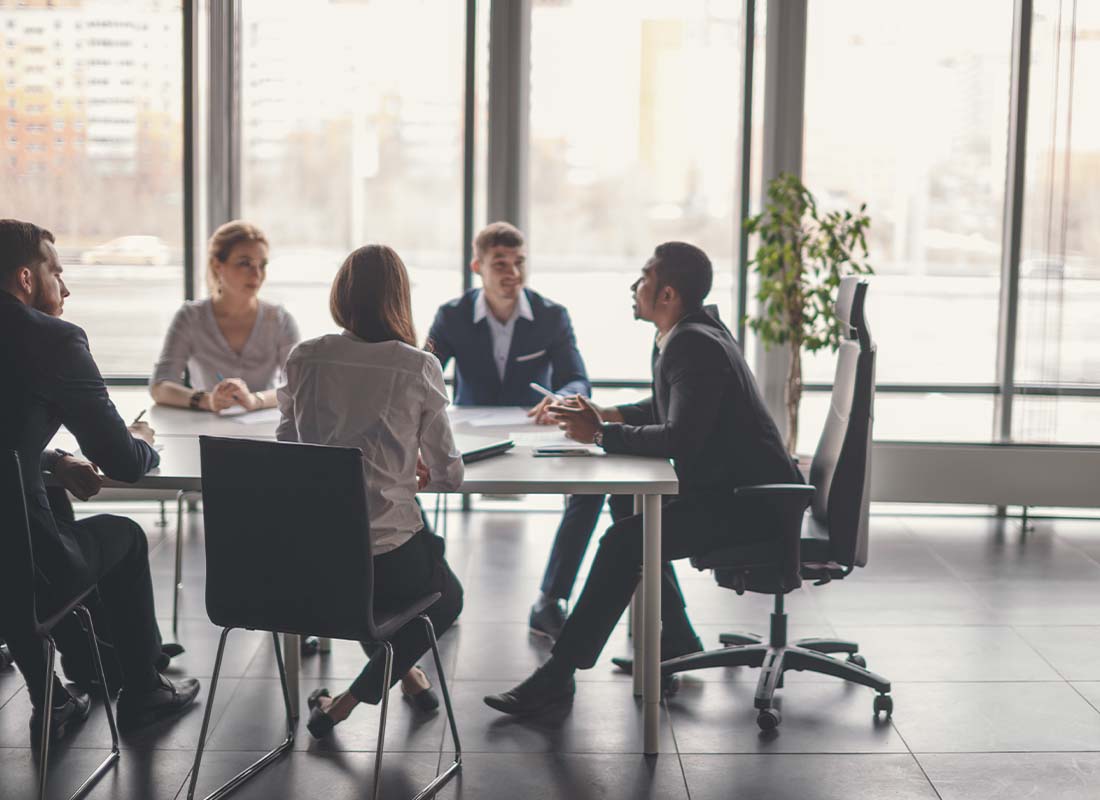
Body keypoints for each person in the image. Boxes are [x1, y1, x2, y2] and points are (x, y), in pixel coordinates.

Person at [483, 241, 801, 715]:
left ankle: (558, 675)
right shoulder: (695, 331)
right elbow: (674, 407)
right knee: (627, 503)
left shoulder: (691, 343)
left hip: (750, 505)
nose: (635, 287)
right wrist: (604, 414)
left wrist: (604, 434)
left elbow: (681, 438)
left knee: (624, 542)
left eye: (644, 278)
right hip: (738, 493)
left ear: (667, 293)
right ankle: (678, 641)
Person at [0, 219, 201, 741]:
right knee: (126, 538)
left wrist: (50, 461)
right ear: (25, 278)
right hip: (20, 574)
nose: (66, 287)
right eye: (57, 271)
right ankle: (143, 690)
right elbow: (124, 462)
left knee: (50, 510)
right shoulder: (53, 341)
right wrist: (145, 440)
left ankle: (67, 686)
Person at [276, 244, 465, 737]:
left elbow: (287, 452)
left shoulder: (306, 357)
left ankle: (411, 680)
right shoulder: (417, 367)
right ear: (400, 300)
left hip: (312, 559)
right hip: (390, 560)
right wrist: (415, 473)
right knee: (446, 599)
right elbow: (449, 475)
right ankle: (344, 704)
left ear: (342, 296)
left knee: (371, 602)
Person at [426, 221, 612, 641]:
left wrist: (561, 397)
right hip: (471, 434)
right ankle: (435, 591)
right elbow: (424, 375)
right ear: (478, 266)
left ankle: (551, 598)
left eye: (520, 263)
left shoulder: (551, 316)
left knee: (590, 490)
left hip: (536, 434)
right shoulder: (452, 316)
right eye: (501, 264)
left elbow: (579, 380)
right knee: (406, 477)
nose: (514, 273)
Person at [150, 220, 299, 414]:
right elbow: (160, 386)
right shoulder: (190, 318)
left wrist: (256, 400)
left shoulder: (280, 319)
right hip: (205, 426)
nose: (257, 274)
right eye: (245, 263)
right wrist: (207, 400)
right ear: (217, 265)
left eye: (262, 265)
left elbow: (297, 386)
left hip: (266, 429)